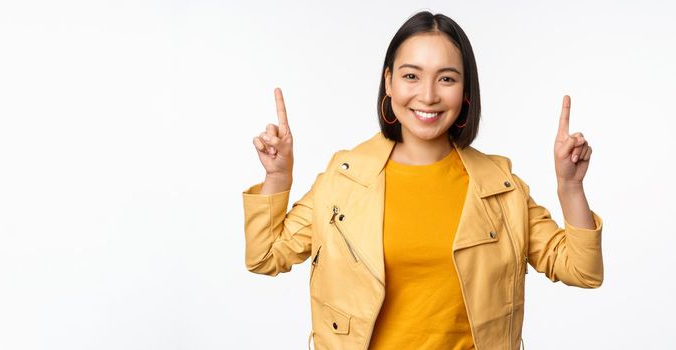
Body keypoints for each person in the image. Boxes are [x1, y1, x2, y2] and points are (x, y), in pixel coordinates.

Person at [242, 11, 603, 350]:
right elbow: (265, 257)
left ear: (465, 92)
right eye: (411, 76)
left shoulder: (500, 186)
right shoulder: (343, 181)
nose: (428, 95)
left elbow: (581, 271)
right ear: (388, 82)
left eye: (446, 78)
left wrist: (570, 187)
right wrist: (277, 176)